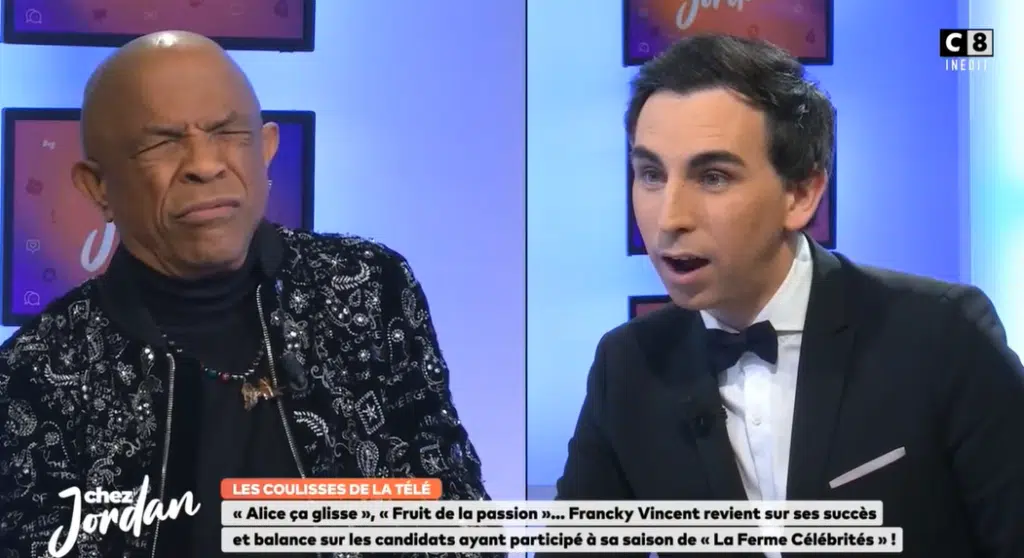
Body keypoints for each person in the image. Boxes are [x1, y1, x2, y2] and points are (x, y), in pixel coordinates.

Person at [0, 31, 495, 557]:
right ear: (97, 186)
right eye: (162, 143)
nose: (205, 164)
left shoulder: (370, 288)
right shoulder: (36, 375)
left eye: (227, 132)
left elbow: (457, 519)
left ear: (267, 148)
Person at [547, 34, 1024, 557]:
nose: (669, 218)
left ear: (801, 194)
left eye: (713, 177)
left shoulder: (942, 337)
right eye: (651, 175)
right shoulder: (628, 367)